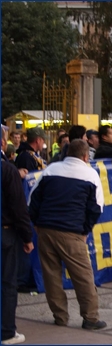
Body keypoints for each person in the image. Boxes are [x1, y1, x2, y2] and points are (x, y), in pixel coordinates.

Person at [28, 139, 107, 330]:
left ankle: (60, 317)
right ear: (86, 156)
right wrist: (85, 230)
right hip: (72, 232)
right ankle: (90, 318)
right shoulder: (90, 174)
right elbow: (96, 208)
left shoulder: (50, 170)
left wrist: (38, 224)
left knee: (51, 276)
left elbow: (32, 201)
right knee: (83, 277)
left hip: (46, 230)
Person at [1, 124, 34, 345]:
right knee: (6, 284)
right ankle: (6, 331)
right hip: (5, 234)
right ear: (3, 143)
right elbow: (18, 207)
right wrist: (27, 237)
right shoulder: (7, 170)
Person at [15, 127, 47, 293]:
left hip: (32, 203)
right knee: (27, 242)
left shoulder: (29, 155)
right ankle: (23, 279)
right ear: (39, 140)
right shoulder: (26, 157)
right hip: (27, 204)